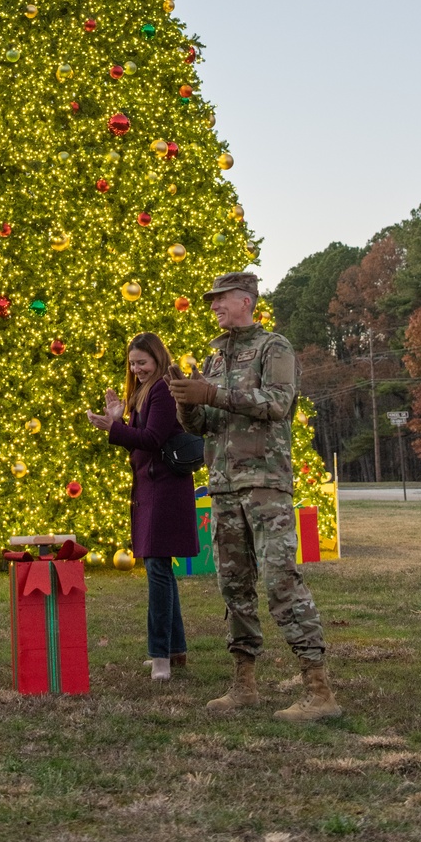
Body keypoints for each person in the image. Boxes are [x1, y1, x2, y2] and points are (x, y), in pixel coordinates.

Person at [168, 273, 342, 722]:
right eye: (211, 301)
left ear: (245, 300)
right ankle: (243, 683)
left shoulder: (273, 347)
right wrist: (188, 403)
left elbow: (277, 402)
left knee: (280, 580)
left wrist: (215, 394)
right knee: (234, 586)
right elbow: (203, 425)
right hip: (223, 485)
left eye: (220, 299)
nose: (214, 307)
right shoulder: (215, 356)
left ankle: (318, 690)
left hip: (264, 481)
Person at [87, 332, 199, 682]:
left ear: (158, 359)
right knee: (159, 568)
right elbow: (143, 440)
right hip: (151, 488)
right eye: (133, 364)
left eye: (143, 362)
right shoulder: (142, 391)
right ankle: (175, 650)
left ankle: (161, 656)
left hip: (165, 490)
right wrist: (120, 418)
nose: (137, 369)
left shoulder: (163, 389)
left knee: (158, 571)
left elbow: (152, 440)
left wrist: (116, 428)